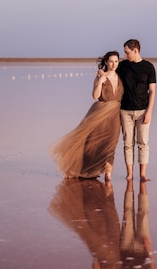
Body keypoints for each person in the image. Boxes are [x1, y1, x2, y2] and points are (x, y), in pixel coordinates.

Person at [50, 51, 124, 181]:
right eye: (111, 61)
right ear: (106, 62)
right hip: (101, 113)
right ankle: (88, 169)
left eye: (116, 61)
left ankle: (108, 175)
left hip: (115, 115)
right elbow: (95, 96)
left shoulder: (121, 77)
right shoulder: (101, 77)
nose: (113, 64)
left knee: (111, 145)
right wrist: (100, 81)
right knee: (93, 144)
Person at [116, 39, 156, 181]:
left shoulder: (148, 67)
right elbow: (110, 71)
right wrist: (101, 72)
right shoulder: (123, 66)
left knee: (143, 142)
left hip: (143, 110)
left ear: (135, 50)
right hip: (125, 110)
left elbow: (152, 91)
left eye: (127, 52)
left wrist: (149, 111)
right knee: (128, 143)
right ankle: (129, 174)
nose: (125, 55)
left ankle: (143, 174)